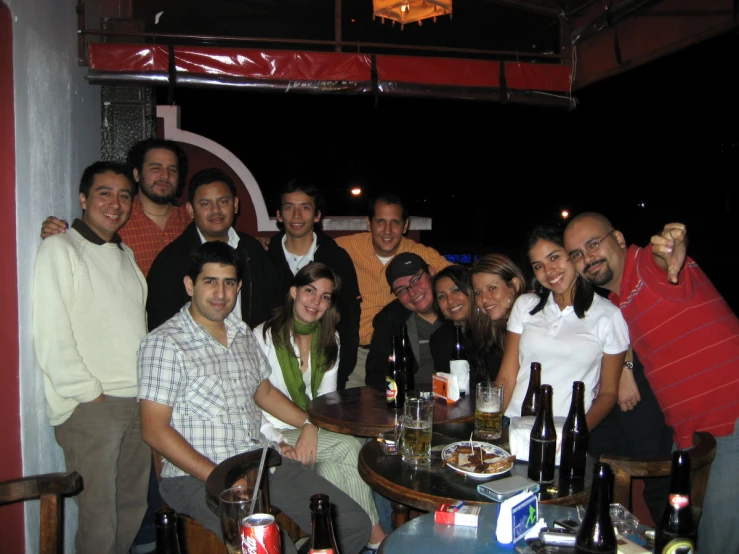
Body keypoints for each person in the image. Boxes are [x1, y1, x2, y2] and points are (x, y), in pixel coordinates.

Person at [137, 242, 371, 554]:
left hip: (260, 462)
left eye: (229, 282)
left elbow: (264, 393)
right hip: (197, 476)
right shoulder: (164, 344)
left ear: (239, 287)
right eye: (210, 281)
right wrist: (220, 478)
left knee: (351, 525)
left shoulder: (241, 333)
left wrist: (309, 422)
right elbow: (153, 429)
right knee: (270, 546)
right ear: (190, 285)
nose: (221, 293)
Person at [564, 213, 739, 551]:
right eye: (576, 254)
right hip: (689, 434)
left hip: (730, 416)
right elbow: (625, 329)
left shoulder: (646, 266)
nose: (586, 258)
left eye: (593, 244)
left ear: (618, 239)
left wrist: (670, 245)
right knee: (683, 539)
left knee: (719, 542)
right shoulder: (617, 299)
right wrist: (627, 365)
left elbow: (665, 256)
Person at [33, 161, 150, 554]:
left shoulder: (125, 254)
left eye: (123, 195)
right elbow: (51, 332)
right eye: (104, 193)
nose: (115, 203)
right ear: (83, 198)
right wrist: (88, 394)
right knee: (99, 521)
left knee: (132, 507)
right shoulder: (60, 248)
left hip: (137, 401)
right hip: (94, 407)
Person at [254, 262, 387, 550]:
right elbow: (254, 400)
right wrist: (279, 439)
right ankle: (376, 537)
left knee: (331, 470)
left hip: (309, 425)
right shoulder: (262, 336)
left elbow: (324, 402)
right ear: (293, 292)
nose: (316, 301)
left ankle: (335, 542)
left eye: (325, 296)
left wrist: (311, 426)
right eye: (310, 291)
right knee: (348, 447)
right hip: (270, 430)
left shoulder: (330, 339)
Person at [495, 226, 629, 432]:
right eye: (538, 265)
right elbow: (506, 377)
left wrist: (575, 434)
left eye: (554, 257)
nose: (549, 271)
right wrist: (489, 423)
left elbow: (608, 394)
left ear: (572, 255)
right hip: (512, 423)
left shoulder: (609, 315)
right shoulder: (525, 305)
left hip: (563, 430)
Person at [336, 193, 450, 388]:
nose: (387, 230)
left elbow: (458, 280)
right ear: (368, 223)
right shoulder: (345, 248)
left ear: (405, 226)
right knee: (353, 412)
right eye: (380, 221)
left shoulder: (422, 254)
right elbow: (309, 252)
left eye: (395, 222)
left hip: (398, 353)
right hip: (357, 354)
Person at [146, 167, 280, 330]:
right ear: (190, 210)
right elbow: (161, 325)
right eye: (205, 204)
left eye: (223, 202)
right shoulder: (170, 261)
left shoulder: (252, 251)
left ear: (236, 205)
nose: (216, 210)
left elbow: (274, 309)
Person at [40, 138, 192, 277]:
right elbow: (81, 242)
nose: (165, 176)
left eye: (172, 170)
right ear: (137, 174)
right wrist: (55, 230)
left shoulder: (192, 219)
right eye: (156, 168)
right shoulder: (115, 216)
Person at [267, 179, 361, 390]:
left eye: (305, 208)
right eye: (289, 207)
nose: (297, 215)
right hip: (273, 370)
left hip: (325, 368)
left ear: (317, 215)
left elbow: (348, 318)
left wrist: (342, 371)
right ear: (279, 215)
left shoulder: (336, 259)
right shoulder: (264, 259)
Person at [365, 253, 443, 388]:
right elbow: (376, 375)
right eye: (401, 290)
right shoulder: (390, 320)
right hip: (411, 401)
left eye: (415, 280)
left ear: (431, 272)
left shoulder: (456, 309)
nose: (412, 292)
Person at [467, 253, 527, 385]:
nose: (484, 299)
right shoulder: (483, 335)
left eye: (492, 288)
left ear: (514, 286)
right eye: (478, 293)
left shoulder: (532, 325)